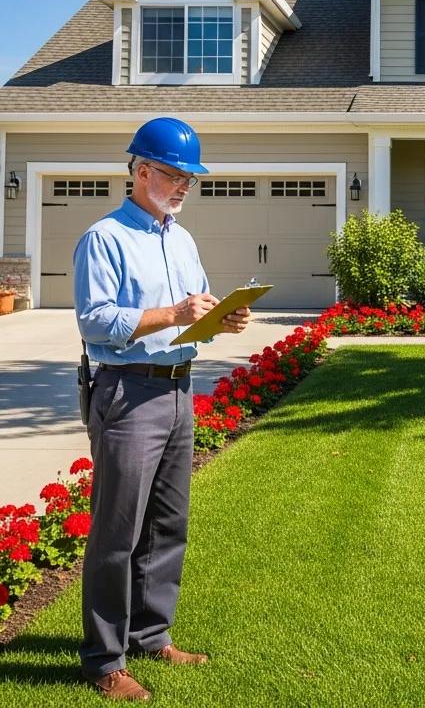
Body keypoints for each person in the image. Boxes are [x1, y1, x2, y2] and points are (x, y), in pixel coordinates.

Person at [73, 117, 251, 702]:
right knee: (116, 534)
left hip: (177, 390)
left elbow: (192, 312)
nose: (183, 187)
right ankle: (104, 661)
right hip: (127, 393)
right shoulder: (104, 238)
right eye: (175, 175)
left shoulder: (182, 237)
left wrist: (221, 317)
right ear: (141, 170)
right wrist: (171, 315)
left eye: (190, 179)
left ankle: (151, 635)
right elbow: (96, 320)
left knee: (167, 525)